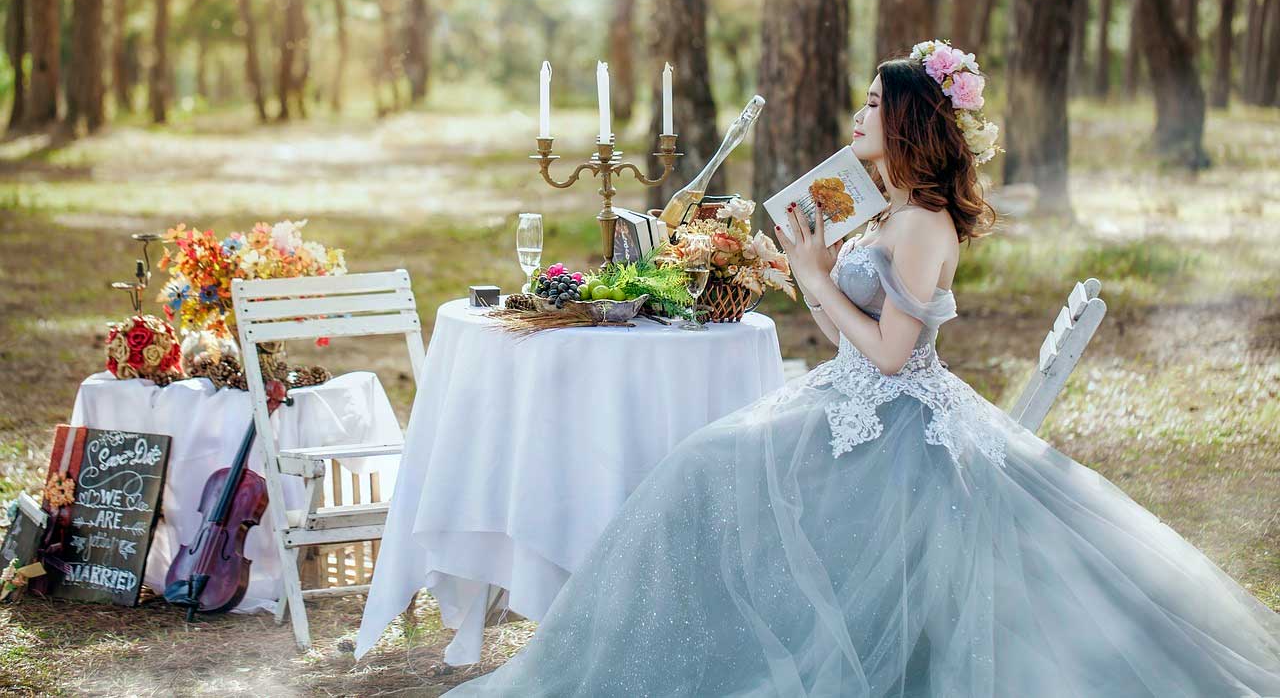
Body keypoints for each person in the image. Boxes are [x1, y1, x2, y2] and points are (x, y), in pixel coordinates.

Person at [442, 42, 1280, 697]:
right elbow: (854, 335)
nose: (857, 113)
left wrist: (814, 275)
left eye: (874, 103)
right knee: (697, 468)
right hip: (851, 400)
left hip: (892, 430)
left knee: (700, 469)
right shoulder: (890, 208)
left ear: (908, 118)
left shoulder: (921, 225)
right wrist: (804, 266)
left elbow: (890, 356)